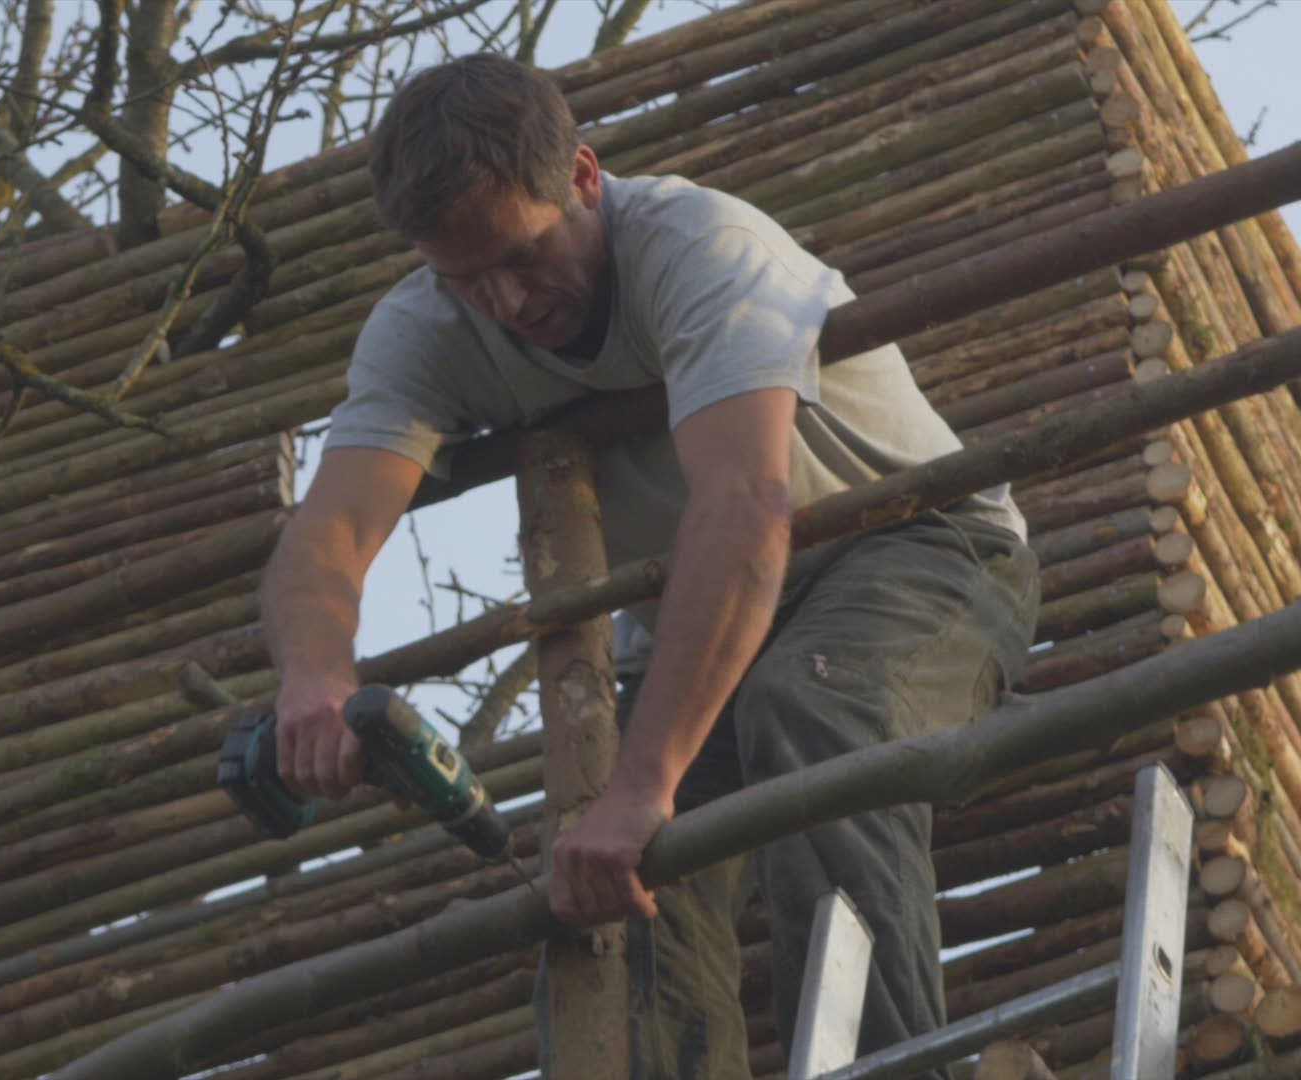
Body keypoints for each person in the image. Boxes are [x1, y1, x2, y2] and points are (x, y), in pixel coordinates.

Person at [258, 52, 1039, 1078]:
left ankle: (894, 1074)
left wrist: (643, 785)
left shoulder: (702, 247)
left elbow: (745, 505)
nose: (506, 300)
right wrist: (314, 675)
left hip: (917, 549)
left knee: (811, 710)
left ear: (584, 176)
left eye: (524, 256)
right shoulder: (424, 328)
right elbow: (327, 532)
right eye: (466, 277)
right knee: (603, 883)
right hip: (707, 622)